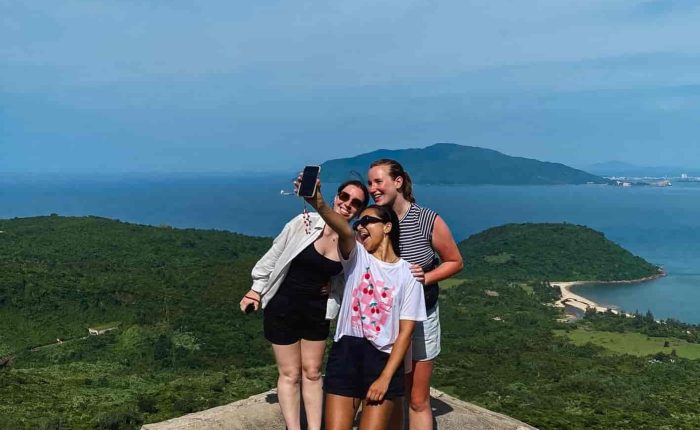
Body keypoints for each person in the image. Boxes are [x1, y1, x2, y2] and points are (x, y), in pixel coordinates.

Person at [239, 179, 369, 430]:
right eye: (344, 196)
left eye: (356, 203)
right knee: (290, 374)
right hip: (283, 305)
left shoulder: (350, 241)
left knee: (312, 372)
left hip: (316, 311)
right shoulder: (303, 224)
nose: (347, 204)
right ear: (336, 196)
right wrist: (255, 291)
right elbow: (274, 255)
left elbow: (351, 277)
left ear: (360, 211)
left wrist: (334, 289)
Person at [303, 177, 427, 430]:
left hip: (383, 359)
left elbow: (405, 334)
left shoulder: (409, 275)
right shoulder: (357, 257)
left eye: (368, 221)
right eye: (360, 222)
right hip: (347, 352)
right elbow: (345, 230)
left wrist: (384, 378)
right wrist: (318, 203)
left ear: (388, 227)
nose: (361, 227)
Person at [367, 159, 464, 430]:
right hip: (386, 319)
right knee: (392, 390)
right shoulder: (374, 219)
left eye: (378, 181)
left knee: (418, 398)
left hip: (421, 318)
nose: (373, 188)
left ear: (397, 182)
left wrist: (427, 277)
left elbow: (455, 261)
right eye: (370, 182)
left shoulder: (426, 219)